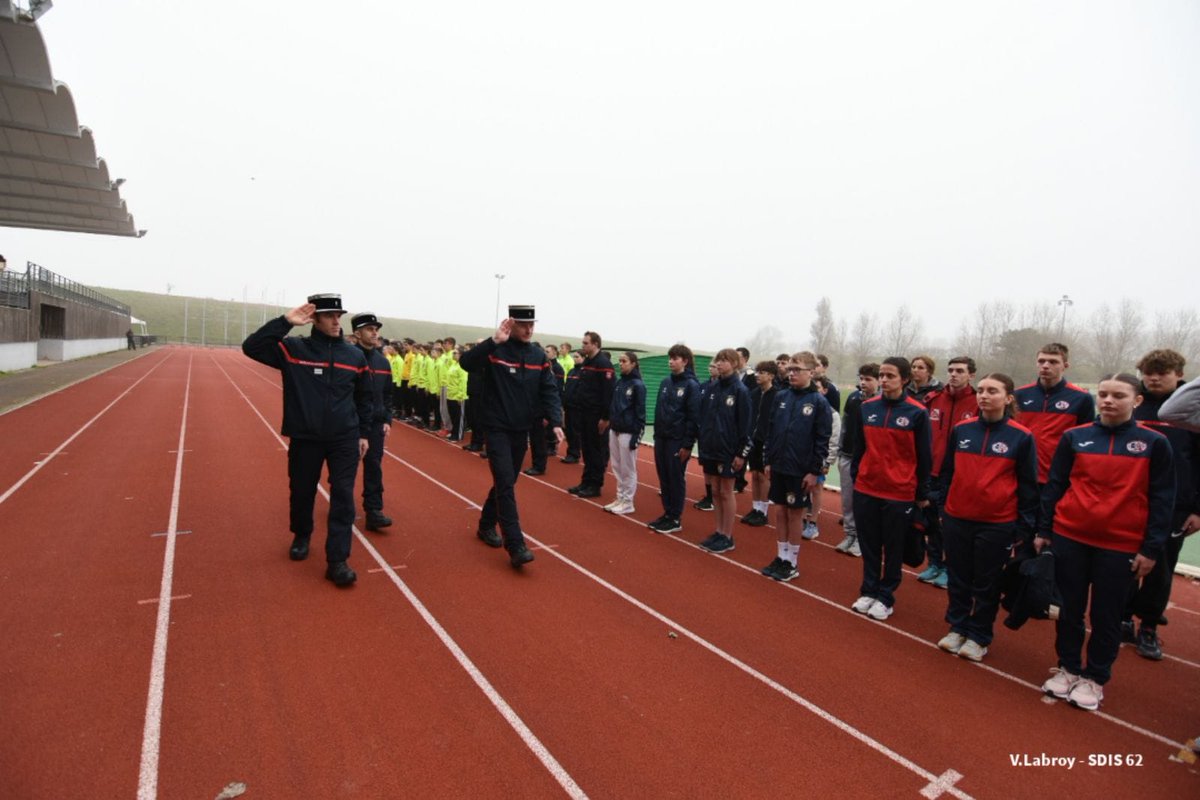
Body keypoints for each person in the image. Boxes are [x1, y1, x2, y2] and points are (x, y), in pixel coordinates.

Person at [1037, 373, 1174, 711]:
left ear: (1137, 401)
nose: (1109, 401)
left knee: (1106, 615)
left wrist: (1151, 548)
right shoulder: (1075, 437)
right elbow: (1055, 485)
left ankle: (1095, 677)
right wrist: (1044, 530)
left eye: (1119, 396)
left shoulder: (1155, 443)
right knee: (1068, 610)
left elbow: (1162, 499)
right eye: (1104, 394)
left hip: (1120, 544)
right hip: (1071, 536)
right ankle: (1068, 668)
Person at [241, 294, 370, 587]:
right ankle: (302, 533)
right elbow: (252, 347)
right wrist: (286, 322)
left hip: (344, 438)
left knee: (343, 498)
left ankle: (337, 561)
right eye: (329, 316)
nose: (337, 321)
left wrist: (363, 433)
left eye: (339, 316)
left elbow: (364, 398)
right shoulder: (293, 349)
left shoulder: (355, 356)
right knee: (301, 492)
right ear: (313, 318)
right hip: (305, 437)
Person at [936, 373, 1038, 662]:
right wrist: (944, 506)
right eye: (980, 390)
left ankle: (979, 635)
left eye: (992, 391)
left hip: (997, 522)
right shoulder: (962, 430)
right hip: (957, 517)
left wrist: (1023, 527)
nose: (983, 395)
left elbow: (1028, 484)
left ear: (1007, 399)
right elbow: (948, 471)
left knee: (987, 582)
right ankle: (957, 627)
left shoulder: (1022, 436)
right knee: (958, 577)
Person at [459, 305, 564, 568]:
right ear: (511, 324)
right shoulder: (495, 351)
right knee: (505, 482)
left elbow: (549, 390)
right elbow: (466, 363)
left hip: (522, 430)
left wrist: (556, 422)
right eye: (523, 325)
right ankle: (515, 544)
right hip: (496, 428)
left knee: (507, 482)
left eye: (532, 325)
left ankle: (485, 525)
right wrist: (493, 341)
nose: (529, 330)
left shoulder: (538, 356)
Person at [1120, 349, 1200, 661]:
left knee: (1160, 567)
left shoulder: (1189, 414)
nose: (1153, 378)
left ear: (1179, 374)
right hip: (1129, 500)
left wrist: (1197, 509)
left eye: (1162, 373)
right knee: (1123, 562)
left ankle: (1150, 625)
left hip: (1175, 505)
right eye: (1148, 373)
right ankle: (1123, 616)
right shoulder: (1134, 406)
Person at [850, 357, 932, 621]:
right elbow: (859, 448)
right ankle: (869, 590)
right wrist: (857, 477)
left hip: (899, 492)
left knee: (893, 547)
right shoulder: (867, 407)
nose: (884, 380)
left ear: (905, 379)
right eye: (882, 375)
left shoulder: (917, 412)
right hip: (867, 488)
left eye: (890, 376)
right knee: (869, 544)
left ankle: (886, 596)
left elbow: (924, 457)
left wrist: (920, 493)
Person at [759, 352, 833, 581]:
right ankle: (781, 556)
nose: (791, 373)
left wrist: (814, 471)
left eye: (797, 369)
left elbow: (823, 439)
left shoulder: (819, 402)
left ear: (811, 372)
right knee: (779, 512)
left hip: (800, 470)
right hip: (779, 465)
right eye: (790, 369)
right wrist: (768, 460)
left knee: (794, 515)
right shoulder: (781, 397)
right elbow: (771, 431)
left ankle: (792, 561)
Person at [918, 356, 979, 588]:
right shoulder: (934, 399)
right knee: (932, 521)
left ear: (970, 375)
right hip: (931, 471)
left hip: (958, 474)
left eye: (960, 371)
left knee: (951, 524)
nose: (954, 374)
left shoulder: (976, 402)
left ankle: (950, 567)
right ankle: (934, 562)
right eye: (951, 370)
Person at [1014, 343, 1096, 496]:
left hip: (1058, 477)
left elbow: (1086, 439)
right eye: (1041, 361)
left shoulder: (1081, 398)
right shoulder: (1019, 395)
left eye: (1053, 362)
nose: (1045, 366)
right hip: (1021, 474)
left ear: (1065, 365)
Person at [696, 349, 752, 553]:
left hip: (728, 450)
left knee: (726, 492)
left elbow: (745, 425)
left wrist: (740, 453)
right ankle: (719, 531)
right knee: (716, 493)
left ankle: (727, 535)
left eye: (724, 361)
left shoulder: (740, 391)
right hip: (711, 447)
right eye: (717, 360)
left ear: (735, 364)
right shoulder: (712, 388)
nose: (719, 364)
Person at [648, 344, 701, 534]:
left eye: (675, 358)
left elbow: (693, 417)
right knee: (664, 477)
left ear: (685, 361)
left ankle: (675, 517)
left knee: (675, 478)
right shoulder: (665, 382)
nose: (671, 361)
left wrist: (687, 444)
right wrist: (656, 433)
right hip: (661, 437)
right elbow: (659, 410)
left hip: (677, 440)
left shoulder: (692, 386)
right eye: (670, 358)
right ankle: (667, 513)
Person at [350, 312, 395, 532]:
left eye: (376, 329)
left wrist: (387, 419)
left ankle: (373, 510)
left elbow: (388, 393)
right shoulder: (347, 357)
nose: (375, 332)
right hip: (349, 424)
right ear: (357, 334)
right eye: (369, 329)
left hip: (375, 425)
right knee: (345, 468)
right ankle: (343, 506)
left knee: (374, 467)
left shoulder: (383, 362)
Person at [835, 363, 879, 557]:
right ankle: (850, 534)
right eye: (861, 378)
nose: (863, 383)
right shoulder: (853, 398)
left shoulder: (881, 403)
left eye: (868, 379)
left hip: (869, 460)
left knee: (865, 502)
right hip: (847, 455)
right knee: (847, 500)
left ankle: (863, 539)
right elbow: (845, 425)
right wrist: (839, 449)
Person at [568, 332, 614, 498]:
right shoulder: (588, 362)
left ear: (595, 344)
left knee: (596, 450)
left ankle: (595, 485)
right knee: (586, 449)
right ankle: (586, 481)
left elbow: (608, 393)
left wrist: (605, 417)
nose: (583, 345)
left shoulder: (603, 364)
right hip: (584, 413)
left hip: (596, 415)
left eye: (586, 343)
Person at [604, 351, 646, 515]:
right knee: (616, 466)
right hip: (615, 429)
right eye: (620, 361)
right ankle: (620, 497)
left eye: (624, 361)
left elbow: (640, 413)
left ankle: (628, 501)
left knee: (628, 468)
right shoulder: (620, 382)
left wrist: (636, 435)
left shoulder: (638, 385)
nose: (621, 363)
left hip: (628, 431)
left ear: (633, 363)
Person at [740, 361, 780, 527]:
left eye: (762, 372)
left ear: (771, 375)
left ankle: (763, 512)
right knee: (755, 474)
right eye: (757, 371)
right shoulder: (754, 393)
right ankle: (755, 508)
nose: (757, 375)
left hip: (767, 441)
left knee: (763, 476)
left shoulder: (777, 395)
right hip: (753, 440)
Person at [693, 360, 721, 512]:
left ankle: (714, 498)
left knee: (715, 468)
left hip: (717, 434)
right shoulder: (703, 386)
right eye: (710, 366)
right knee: (706, 466)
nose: (712, 369)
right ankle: (709, 495)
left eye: (715, 367)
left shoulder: (724, 388)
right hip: (704, 431)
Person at [560, 351, 584, 463]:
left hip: (577, 407)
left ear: (583, 358)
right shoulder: (571, 371)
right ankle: (571, 451)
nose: (574, 358)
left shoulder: (584, 373)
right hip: (568, 406)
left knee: (575, 431)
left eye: (577, 357)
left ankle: (574, 454)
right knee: (568, 430)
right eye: (574, 356)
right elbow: (567, 388)